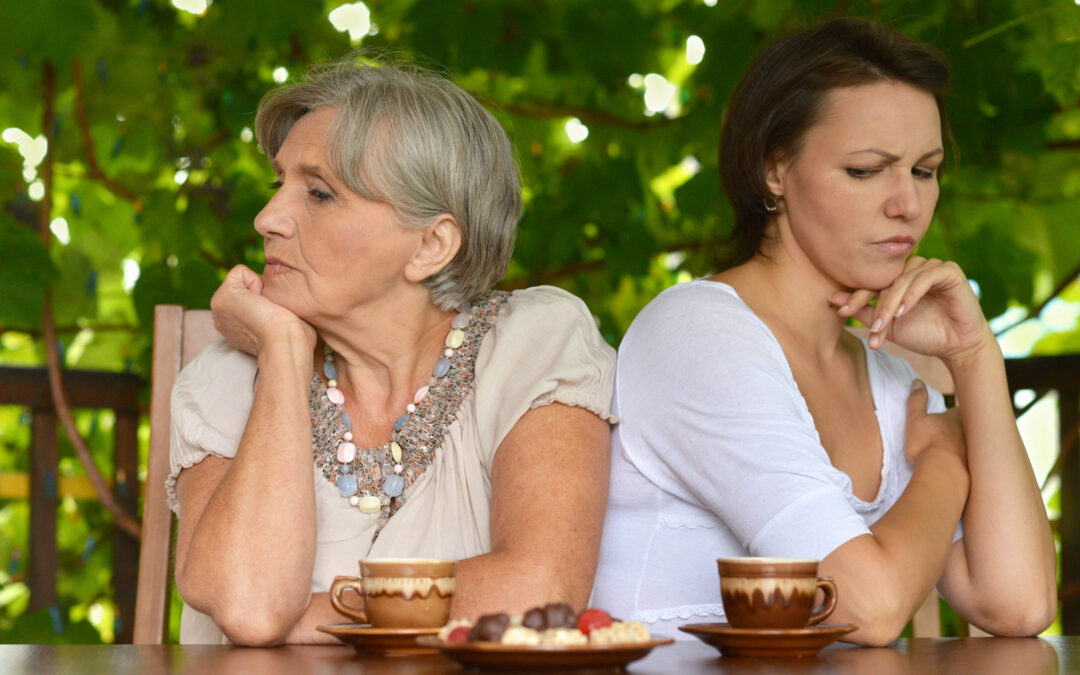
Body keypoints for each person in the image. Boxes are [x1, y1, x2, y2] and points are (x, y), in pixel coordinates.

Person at [594, 17, 1056, 645]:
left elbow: (1019, 606)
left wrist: (975, 359)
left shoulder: (890, 378)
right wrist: (946, 459)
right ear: (773, 170)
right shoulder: (699, 337)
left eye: (925, 170)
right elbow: (865, 608)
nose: (909, 205)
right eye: (867, 170)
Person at [167, 59, 616, 645]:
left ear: (432, 245)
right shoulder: (224, 380)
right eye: (279, 185)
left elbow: (536, 586)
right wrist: (282, 351)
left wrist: (308, 619)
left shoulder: (533, 344)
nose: (267, 218)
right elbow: (250, 606)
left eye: (320, 193)